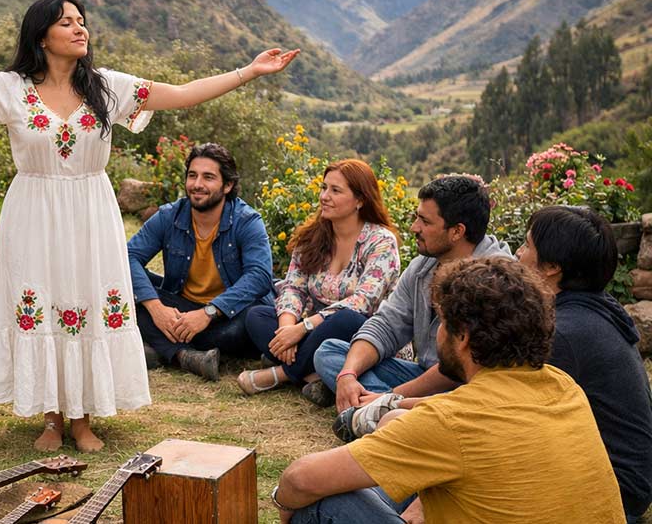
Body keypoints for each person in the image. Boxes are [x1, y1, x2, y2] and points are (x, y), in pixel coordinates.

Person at [0, 0, 299, 452]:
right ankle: (52, 417)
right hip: (33, 213)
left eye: (81, 21)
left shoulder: (107, 87)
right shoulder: (9, 88)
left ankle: (83, 418)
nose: (80, 29)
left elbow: (180, 94)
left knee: (88, 302)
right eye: (67, 22)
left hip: (90, 212)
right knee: (46, 302)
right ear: (42, 35)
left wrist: (249, 71)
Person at [273, 257, 625, 524]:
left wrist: (285, 507)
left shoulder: (448, 422)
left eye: (442, 321)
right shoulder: (564, 386)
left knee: (323, 502)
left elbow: (300, 479)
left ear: (463, 337)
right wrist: (395, 409)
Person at [312, 175, 510, 410]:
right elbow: (387, 325)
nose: (414, 227)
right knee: (330, 351)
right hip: (423, 375)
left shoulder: (494, 278)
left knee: (451, 401)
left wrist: (391, 397)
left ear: (457, 231)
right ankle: (378, 411)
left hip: (469, 390)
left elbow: (459, 365)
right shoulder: (422, 266)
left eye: (424, 221)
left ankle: (377, 410)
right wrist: (347, 375)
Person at [517, 206, 652, 523]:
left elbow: (503, 415)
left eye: (525, 245)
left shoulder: (566, 333)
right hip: (618, 478)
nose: (517, 253)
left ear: (551, 267)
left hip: (613, 492)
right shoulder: (590, 309)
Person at [238, 159, 399, 397]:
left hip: (363, 333)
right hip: (313, 331)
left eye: (335, 190)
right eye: (324, 188)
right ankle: (312, 374)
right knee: (256, 315)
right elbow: (294, 288)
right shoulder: (312, 237)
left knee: (346, 319)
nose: (324, 196)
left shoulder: (381, 242)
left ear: (360, 200)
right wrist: (287, 330)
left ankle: (280, 375)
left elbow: (364, 302)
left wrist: (303, 328)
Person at [126, 143, 273, 381]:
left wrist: (208, 313)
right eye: (192, 175)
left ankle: (164, 347)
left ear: (228, 185)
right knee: (123, 294)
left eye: (208, 177)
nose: (197, 184)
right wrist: (157, 308)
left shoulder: (247, 221)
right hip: (182, 307)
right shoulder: (169, 215)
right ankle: (185, 356)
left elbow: (260, 276)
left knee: (252, 319)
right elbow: (129, 256)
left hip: (229, 314)